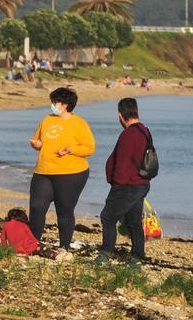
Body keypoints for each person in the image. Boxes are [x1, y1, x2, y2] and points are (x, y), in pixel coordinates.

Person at [28, 87, 95, 250]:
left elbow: (90, 148)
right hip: (43, 172)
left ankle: (64, 246)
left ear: (65, 104)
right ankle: (32, 243)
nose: (52, 105)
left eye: (55, 102)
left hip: (71, 174)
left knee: (64, 210)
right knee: (37, 207)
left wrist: (70, 149)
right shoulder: (46, 120)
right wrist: (37, 144)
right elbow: (38, 140)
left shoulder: (79, 124)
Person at [96, 98, 153, 264]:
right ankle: (137, 256)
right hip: (140, 183)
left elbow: (122, 163)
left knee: (107, 217)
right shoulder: (145, 131)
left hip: (127, 185)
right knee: (134, 220)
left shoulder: (128, 134)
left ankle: (105, 254)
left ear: (120, 116)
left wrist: (116, 187)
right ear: (137, 112)